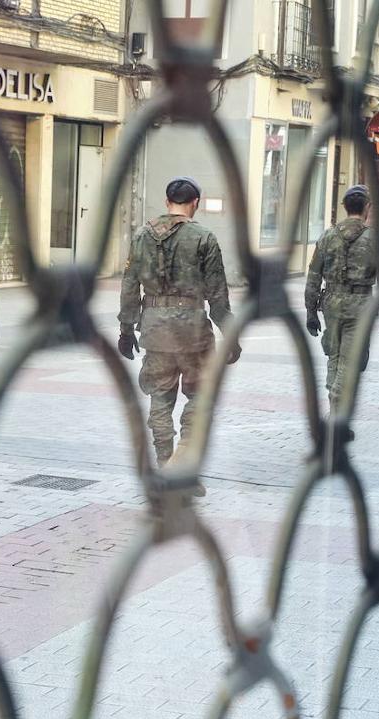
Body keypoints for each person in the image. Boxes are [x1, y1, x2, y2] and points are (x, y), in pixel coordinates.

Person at [117, 176, 241, 493]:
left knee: (159, 398)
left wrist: (126, 328)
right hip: (192, 332)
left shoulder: (142, 235)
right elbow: (217, 297)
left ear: (167, 200)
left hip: (155, 329)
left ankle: (165, 466)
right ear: (195, 203)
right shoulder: (204, 237)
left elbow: (130, 285)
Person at [304, 184, 379, 436]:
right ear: (367, 208)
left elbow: (313, 277)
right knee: (350, 359)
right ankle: (336, 408)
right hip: (361, 305)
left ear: (344, 207)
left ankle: (337, 412)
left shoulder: (327, 236)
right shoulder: (375, 240)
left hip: (331, 303)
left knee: (335, 356)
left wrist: (311, 311)